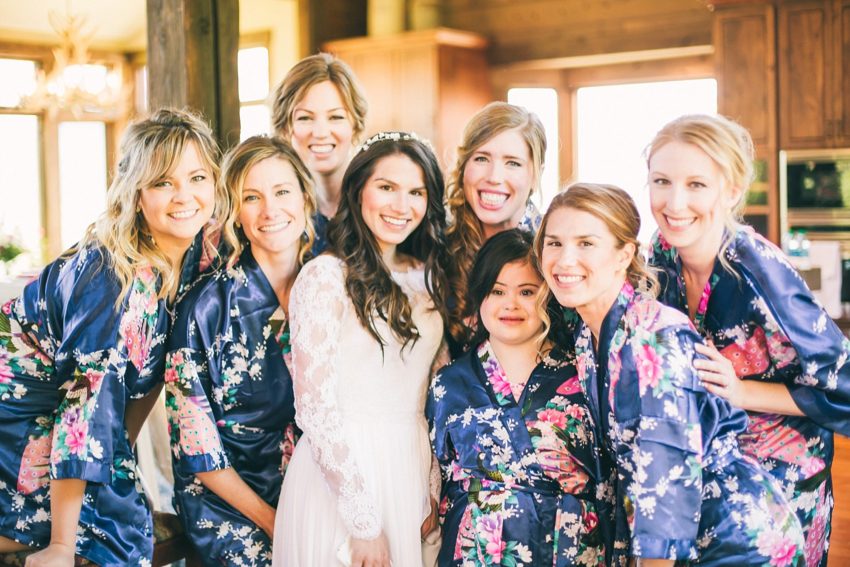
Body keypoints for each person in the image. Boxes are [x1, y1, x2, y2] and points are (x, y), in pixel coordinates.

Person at [0, 108, 226, 566]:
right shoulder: (111, 277)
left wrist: (118, 461)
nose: (185, 195)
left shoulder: (193, 259)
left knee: (120, 502)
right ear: (137, 194)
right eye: (163, 182)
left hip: (70, 420)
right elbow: (85, 407)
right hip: (18, 418)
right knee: (119, 532)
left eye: (198, 177)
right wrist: (62, 546)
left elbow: (150, 375)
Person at [538, 183, 805, 565]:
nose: (565, 260)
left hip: (734, 539)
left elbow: (667, 487)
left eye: (585, 243)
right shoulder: (587, 335)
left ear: (623, 254)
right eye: (554, 243)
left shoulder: (654, 339)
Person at [646, 114, 850, 566]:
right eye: (662, 180)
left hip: (779, 479)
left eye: (697, 184)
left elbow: (845, 389)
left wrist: (741, 390)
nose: (674, 202)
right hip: (708, 458)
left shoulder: (761, 276)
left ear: (732, 190)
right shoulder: (659, 256)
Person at [272, 131, 450, 567]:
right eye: (387, 187)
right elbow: (315, 406)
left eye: (416, 192)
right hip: (344, 477)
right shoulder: (325, 276)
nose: (401, 205)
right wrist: (363, 522)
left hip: (409, 466)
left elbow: (433, 391)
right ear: (359, 190)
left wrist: (432, 480)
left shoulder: (430, 278)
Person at [164, 136, 316, 566]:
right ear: (234, 212)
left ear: (304, 198)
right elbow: (198, 451)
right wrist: (274, 521)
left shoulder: (332, 286)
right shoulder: (204, 309)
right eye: (252, 197)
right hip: (232, 506)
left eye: (283, 192)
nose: (270, 211)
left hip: (314, 493)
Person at [427, 229, 608, 566]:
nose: (510, 304)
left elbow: (608, 478)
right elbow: (439, 479)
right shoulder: (449, 381)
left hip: (567, 546)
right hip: (476, 550)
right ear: (480, 295)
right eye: (497, 291)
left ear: (549, 297)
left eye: (526, 291)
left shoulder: (583, 375)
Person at [445, 101, 547, 357]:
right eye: (481, 158)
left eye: (512, 163)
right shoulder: (440, 245)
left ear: (536, 174)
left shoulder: (552, 251)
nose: (493, 177)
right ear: (463, 166)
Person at [270, 52, 368, 254]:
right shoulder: (275, 212)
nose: (321, 133)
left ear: (355, 126)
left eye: (336, 117)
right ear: (285, 128)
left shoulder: (375, 203)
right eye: (305, 118)